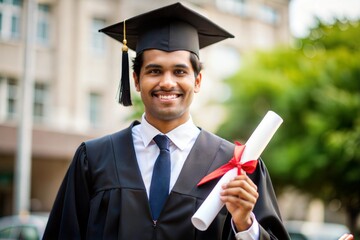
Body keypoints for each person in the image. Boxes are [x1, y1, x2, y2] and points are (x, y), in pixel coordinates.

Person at [43, 2, 290, 239]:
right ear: (137, 80)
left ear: (198, 81)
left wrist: (245, 225)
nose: (167, 82)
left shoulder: (236, 165)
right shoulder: (94, 159)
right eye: (154, 71)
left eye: (180, 71)